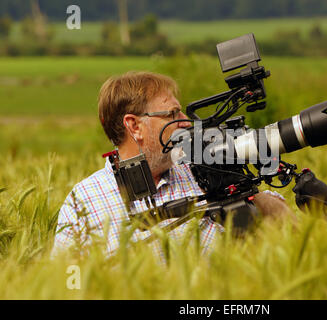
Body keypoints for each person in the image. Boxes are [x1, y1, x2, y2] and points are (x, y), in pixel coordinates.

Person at [52, 71, 292, 258]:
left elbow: (291, 232)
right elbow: (63, 285)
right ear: (134, 126)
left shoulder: (202, 172)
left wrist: (245, 191)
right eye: (173, 113)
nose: (186, 122)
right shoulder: (83, 200)